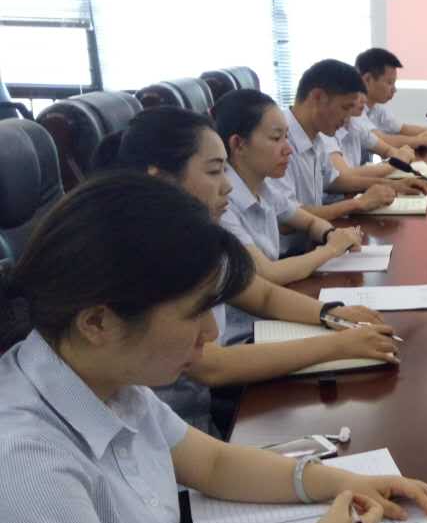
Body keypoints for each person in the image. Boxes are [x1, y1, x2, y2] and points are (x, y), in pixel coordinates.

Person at [0, 172, 427, 523]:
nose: (211, 331)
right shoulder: (23, 459)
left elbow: (214, 464)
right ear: (98, 321)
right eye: (195, 312)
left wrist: (339, 480)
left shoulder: (106, 379)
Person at [91, 108, 399, 431]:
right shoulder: (144, 254)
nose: (227, 186)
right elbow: (212, 365)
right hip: (186, 425)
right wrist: (339, 345)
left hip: (196, 419)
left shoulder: (196, 236)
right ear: (161, 179)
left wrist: (332, 314)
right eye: (214, 172)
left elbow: (262, 295)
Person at [214, 89, 372, 285]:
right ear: (238, 144)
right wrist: (331, 249)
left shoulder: (264, 188)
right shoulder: (222, 204)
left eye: (286, 137)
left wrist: (331, 234)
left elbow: (310, 222)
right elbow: (269, 273)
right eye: (276, 138)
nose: (288, 149)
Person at [277, 59, 427, 224]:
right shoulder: (277, 140)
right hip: (296, 241)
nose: (347, 118)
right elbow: (286, 218)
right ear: (318, 97)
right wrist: (358, 203)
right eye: (345, 108)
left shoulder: (317, 136)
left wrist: (394, 185)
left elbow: (335, 180)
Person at [356, 47, 427, 149]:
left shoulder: (376, 108)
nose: (394, 89)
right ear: (367, 79)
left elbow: (403, 129)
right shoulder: (353, 109)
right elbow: (382, 141)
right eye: (389, 82)